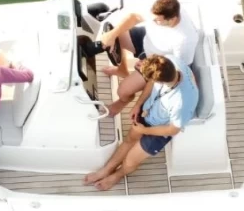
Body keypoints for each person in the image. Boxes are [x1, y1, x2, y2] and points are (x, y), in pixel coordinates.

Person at [84, 54, 198, 191]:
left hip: (162, 129)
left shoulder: (182, 102)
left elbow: (173, 129)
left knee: (130, 161)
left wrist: (143, 130)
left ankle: (117, 175)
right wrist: (138, 105)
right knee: (129, 141)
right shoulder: (168, 62)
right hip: (147, 112)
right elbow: (151, 82)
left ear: (160, 81)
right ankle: (106, 170)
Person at [98, 0, 199, 117]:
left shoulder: (185, 41)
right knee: (113, 32)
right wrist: (112, 35)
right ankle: (122, 70)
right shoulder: (161, 8)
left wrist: (149, 66)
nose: (152, 21)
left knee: (122, 91)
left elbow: (178, 71)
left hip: (159, 63)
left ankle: (122, 102)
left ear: (172, 19)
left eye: (157, 20)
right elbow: (135, 17)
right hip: (147, 42)